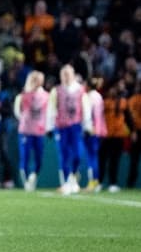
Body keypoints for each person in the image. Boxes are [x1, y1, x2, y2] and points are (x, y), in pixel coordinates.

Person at [48, 64, 85, 194]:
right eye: (63, 74)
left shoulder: (80, 90)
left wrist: (87, 125)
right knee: (63, 155)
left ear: (73, 75)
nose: (66, 77)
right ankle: (65, 182)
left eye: (68, 74)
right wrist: (49, 126)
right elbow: (51, 109)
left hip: (76, 126)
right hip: (61, 126)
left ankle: (73, 178)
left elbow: (85, 108)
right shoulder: (56, 90)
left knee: (77, 154)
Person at [13, 71, 49, 191]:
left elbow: (49, 112)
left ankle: (33, 175)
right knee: (25, 157)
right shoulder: (23, 95)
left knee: (39, 158)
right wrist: (25, 120)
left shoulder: (46, 96)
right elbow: (17, 112)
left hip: (39, 131)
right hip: (25, 131)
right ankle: (27, 182)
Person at [99, 82, 129, 192]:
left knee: (114, 161)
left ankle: (113, 183)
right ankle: (99, 182)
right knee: (102, 159)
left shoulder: (123, 102)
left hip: (118, 135)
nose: (112, 92)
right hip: (105, 135)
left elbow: (128, 118)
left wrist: (133, 130)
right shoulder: (103, 103)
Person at [82, 77, 107, 192]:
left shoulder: (88, 97)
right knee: (95, 156)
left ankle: (93, 181)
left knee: (91, 157)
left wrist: (88, 128)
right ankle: (96, 181)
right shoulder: (99, 96)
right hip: (99, 130)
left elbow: (89, 115)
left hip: (91, 130)